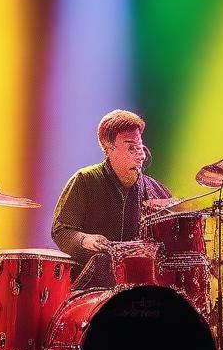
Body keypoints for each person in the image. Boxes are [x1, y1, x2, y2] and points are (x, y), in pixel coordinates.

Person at [51, 110, 171, 290]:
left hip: (144, 290)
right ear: (108, 147)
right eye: (131, 147)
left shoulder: (157, 190)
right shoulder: (85, 180)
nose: (141, 156)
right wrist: (85, 240)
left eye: (141, 148)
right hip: (92, 288)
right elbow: (61, 231)